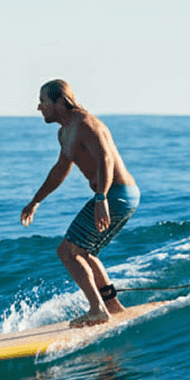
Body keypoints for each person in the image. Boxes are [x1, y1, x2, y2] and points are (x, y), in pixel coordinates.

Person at [20, 79, 140, 327]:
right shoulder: (65, 132)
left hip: (115, 193)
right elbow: (60, 170)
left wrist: (101, 197)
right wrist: (36, 201)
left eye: (43, 102)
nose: (39, 107)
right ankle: (112, 306)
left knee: (66, 252)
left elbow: (105, 158)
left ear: (60, 102)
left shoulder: (85, 123)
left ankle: (97, 310)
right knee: (85, 253)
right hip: (119, 195)